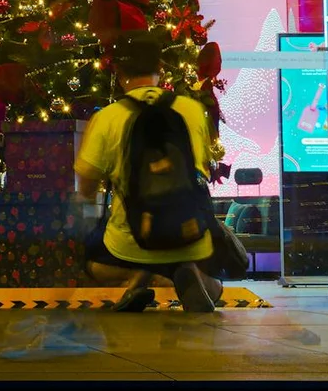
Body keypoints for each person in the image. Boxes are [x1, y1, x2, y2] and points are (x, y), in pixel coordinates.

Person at [75, 37, 221, 314]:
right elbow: (202, 171)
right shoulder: (192, 110)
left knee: (91, 259)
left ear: (119, 74)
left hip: (132, 239)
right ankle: (191, 276)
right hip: (189, 233)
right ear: (161, 70)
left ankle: (142, 276)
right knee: (193, 260)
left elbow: (86, 188)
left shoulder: (107, 117)